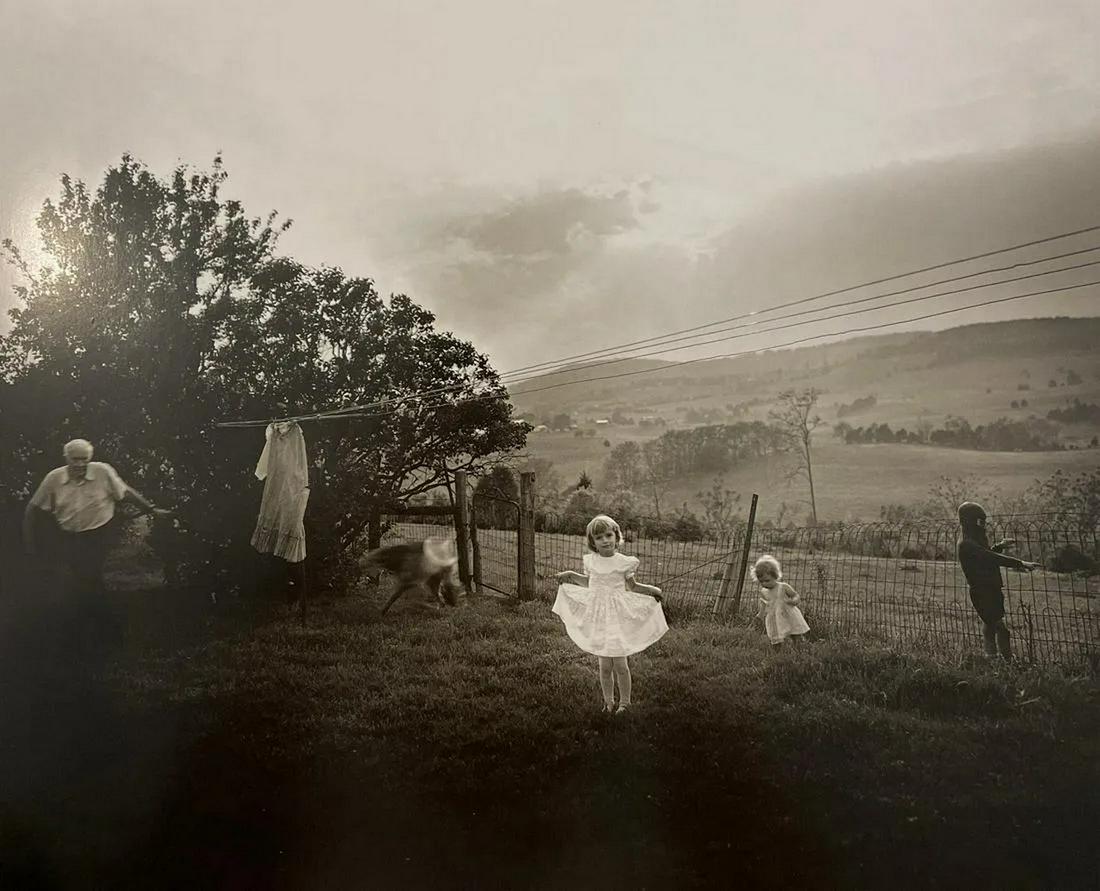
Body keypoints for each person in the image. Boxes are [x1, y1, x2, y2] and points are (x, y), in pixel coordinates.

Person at [22, 439, 172, 647]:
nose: (80, 464)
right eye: (75, 459)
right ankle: (97, 628)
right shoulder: (54, 478)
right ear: (66, 459)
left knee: (88, 576)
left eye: (84, 459)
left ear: (89, 459)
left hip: (99, 533)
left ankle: (103, 632)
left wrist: (151, 509)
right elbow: (32, 509)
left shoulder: (102, 472)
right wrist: (29, 544)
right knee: (83, 580)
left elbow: (125, 492)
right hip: (69, 536)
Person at [552, 514, 667, 715]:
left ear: (616, 536)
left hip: (617, 616)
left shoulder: (623, 562)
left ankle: (625, 702)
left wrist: (653, 590)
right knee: (604, 665)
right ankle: (608, 702)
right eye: (599, 538)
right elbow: (589, 583)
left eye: (608, 535)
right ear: (593, 542)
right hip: (599, 618)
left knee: (620, 664)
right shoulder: (591, 561)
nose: (605, 540)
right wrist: (569, 575)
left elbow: (632, 586)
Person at [956, 501, 1039, 659]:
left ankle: (992, 657)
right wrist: (1020, 563)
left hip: (989, 588)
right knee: (1000, 628)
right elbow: (989, 557)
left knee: (991, 625)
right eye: (980, 522)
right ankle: (1005, 659)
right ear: (971, 522)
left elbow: (985, 555)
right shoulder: (966, 544)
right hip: (982, 591)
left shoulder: (971, 543)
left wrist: (1000, 545)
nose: (983, 525)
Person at [753, 554, 809, 647]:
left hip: (788, 614)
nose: (764, 584)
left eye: (767, 580)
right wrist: (761, 613)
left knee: (794, 630)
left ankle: (799, 646)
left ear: (775, 576)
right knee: (775, 634)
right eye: (761, 581)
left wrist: (794, 601)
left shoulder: (783, 587)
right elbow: (763, 603)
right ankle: (777, 650)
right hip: (773, 616)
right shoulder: (764, 591)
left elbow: (795, 595)